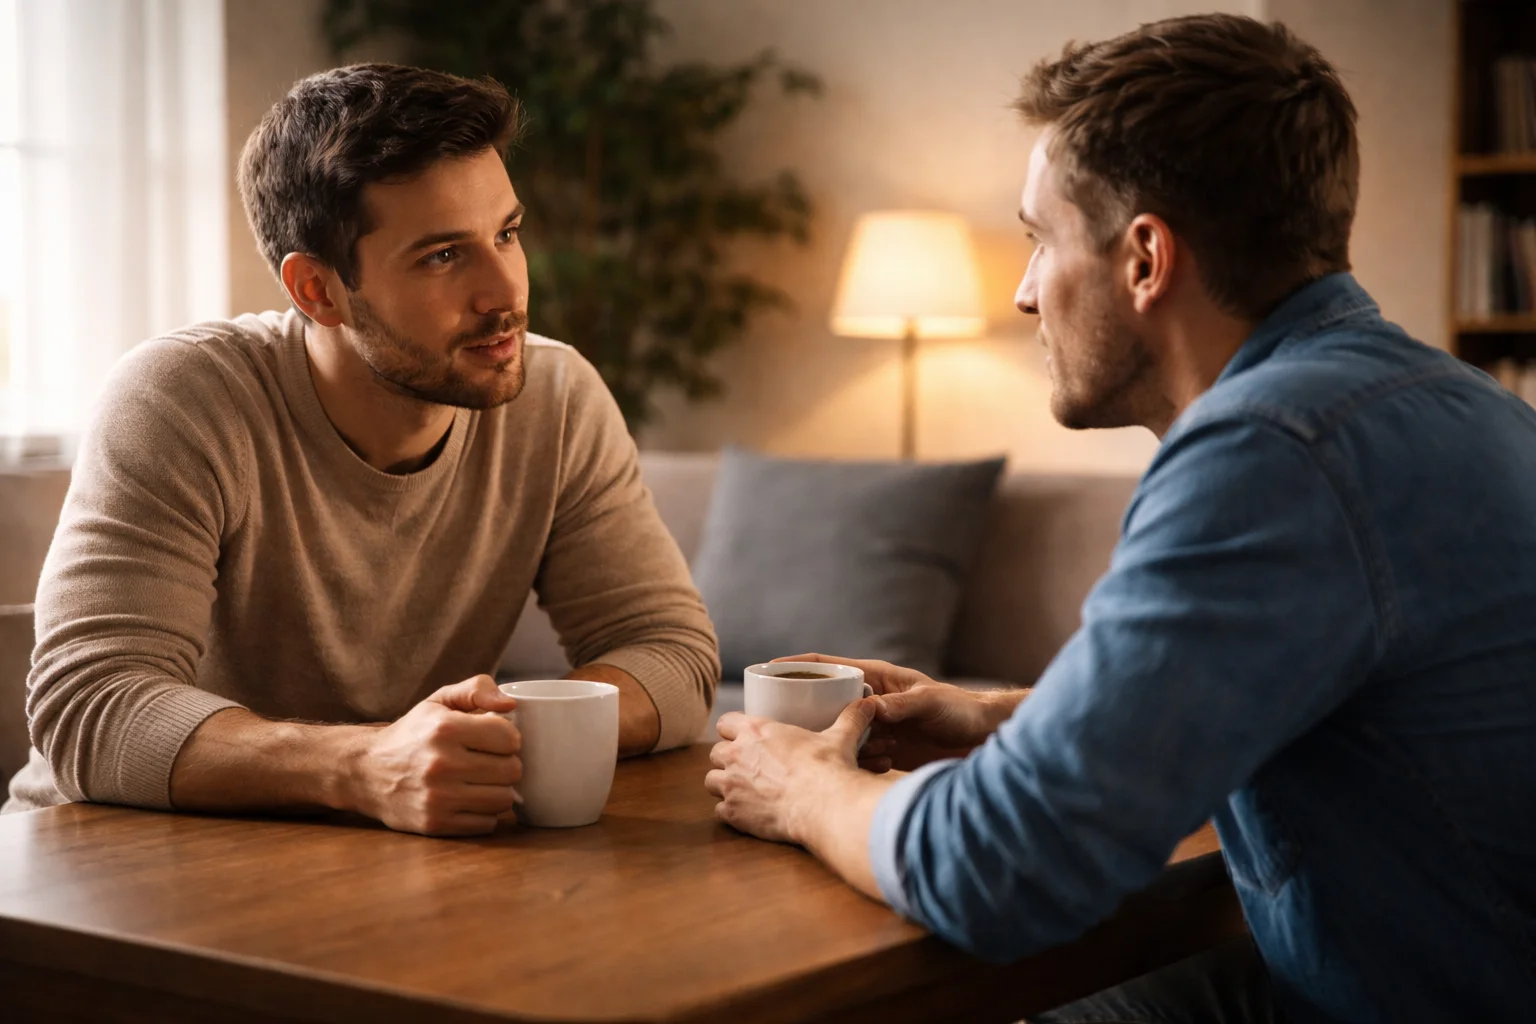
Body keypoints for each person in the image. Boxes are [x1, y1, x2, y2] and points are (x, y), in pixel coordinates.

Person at [706, 14, 1536, 1022]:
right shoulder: (1453, 405)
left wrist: (804, 789)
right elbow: (1262, 704)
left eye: (1036, 239)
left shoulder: (1271, 450)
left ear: (1145, 258)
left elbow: (1002, 868)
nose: (1021, 293)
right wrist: (995, 717)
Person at [4, 63, 720, 836]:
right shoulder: (181, 399)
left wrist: (475, 744)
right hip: (96, 872)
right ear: (317, 289)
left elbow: (670, 654)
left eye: (506, 234)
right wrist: (366, 766)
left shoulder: (557, 397)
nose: (505, 291)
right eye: (444, 255)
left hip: (371, 865)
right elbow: (92, 709)